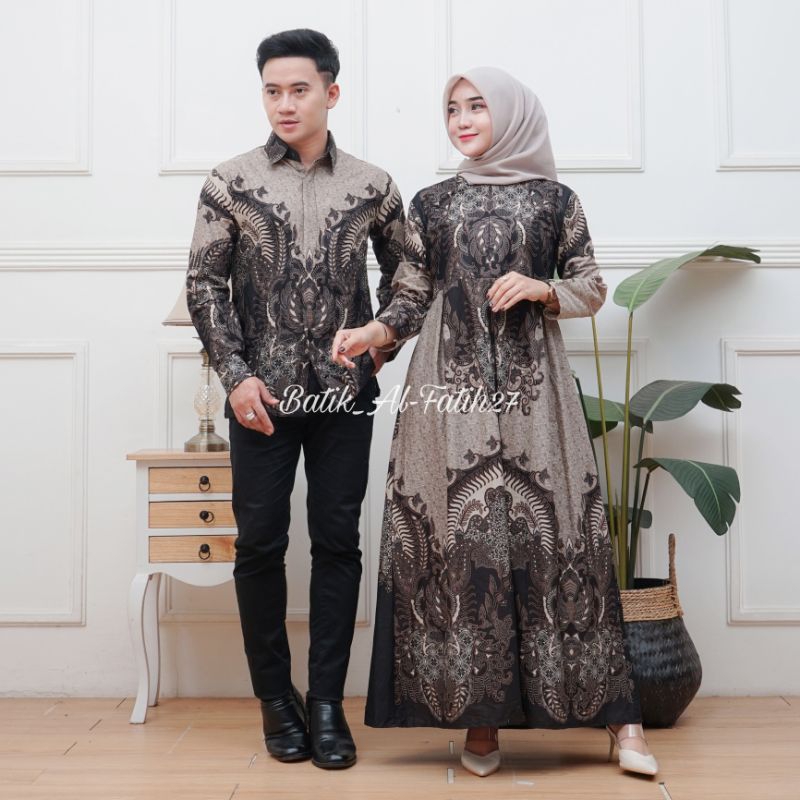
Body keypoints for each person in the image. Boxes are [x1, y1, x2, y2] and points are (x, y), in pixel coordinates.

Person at [331, 66, 659, 778]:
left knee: (562, 530)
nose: (463, 119)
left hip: (536, 390)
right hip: (447, 391)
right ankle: (479, 717)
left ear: (511, 113)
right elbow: (412, 294)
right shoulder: (432, 203)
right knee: (459, 536)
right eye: (452, 108)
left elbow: (591, 285)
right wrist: (373, 334)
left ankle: (620, 717)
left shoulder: (555, 200)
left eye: (477, 106)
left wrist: (542, 287)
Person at [186, 28, 404, 770]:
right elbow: (205, 285)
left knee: (338, 543)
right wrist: (235, 375)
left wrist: (383, 333)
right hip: (260, 399)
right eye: (272, 90)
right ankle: (276, 702)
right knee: (260, 544)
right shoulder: (229, 181)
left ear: (331, 92)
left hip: (345, 395)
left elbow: (411, 275)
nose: (285, 103)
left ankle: (327, 705)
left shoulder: (373, 185)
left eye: (299, 89)